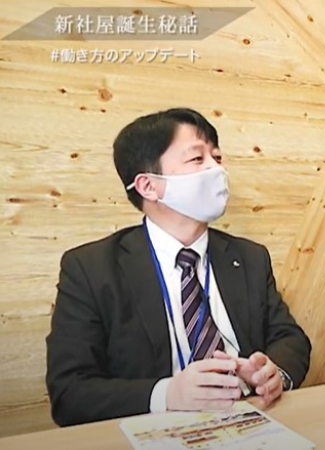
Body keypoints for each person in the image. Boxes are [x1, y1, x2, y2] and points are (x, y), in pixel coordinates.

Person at [46, 107, 311, 427]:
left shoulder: (249, 257)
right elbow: (70, 393)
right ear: (148, 186)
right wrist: (167, 395)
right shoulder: (90, 269)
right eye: (197, 159)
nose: (217, 169)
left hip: (254, 420)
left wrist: (273, 372)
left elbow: (290, 338)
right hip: (154, 431)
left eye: (217, 157)